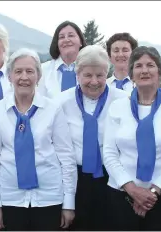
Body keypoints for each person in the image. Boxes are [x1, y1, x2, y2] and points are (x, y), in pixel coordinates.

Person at [0, 48, 76, 231]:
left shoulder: (53, 109)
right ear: (9, 76)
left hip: (49, 198)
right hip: (10, 199)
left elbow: (66, 157)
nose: (24, 77)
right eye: (18, 71)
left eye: (30, 71)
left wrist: (68, 202)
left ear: (38, 76)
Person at [102, 46, 161, 230]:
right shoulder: (117, 107)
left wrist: (153, 192)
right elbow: (109, 153)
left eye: (150, 65)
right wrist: (133, 190)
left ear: (160, 73)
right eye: (139, 65)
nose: (145, 70)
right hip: (121, 194)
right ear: (132, 74)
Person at [57, 45, 129, 231]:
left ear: (107, 73)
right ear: (78, 74)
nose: (94, 81)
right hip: (75, 178)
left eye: (100, 75)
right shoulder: (61, 102)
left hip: (111, 179)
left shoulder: (123, 100)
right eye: (88, 75)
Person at [38, 21, 86, 99]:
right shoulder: (43, 70)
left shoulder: (90, 68)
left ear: (80, 41)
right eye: (61, 37)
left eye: (71, 35)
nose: (66, 40)